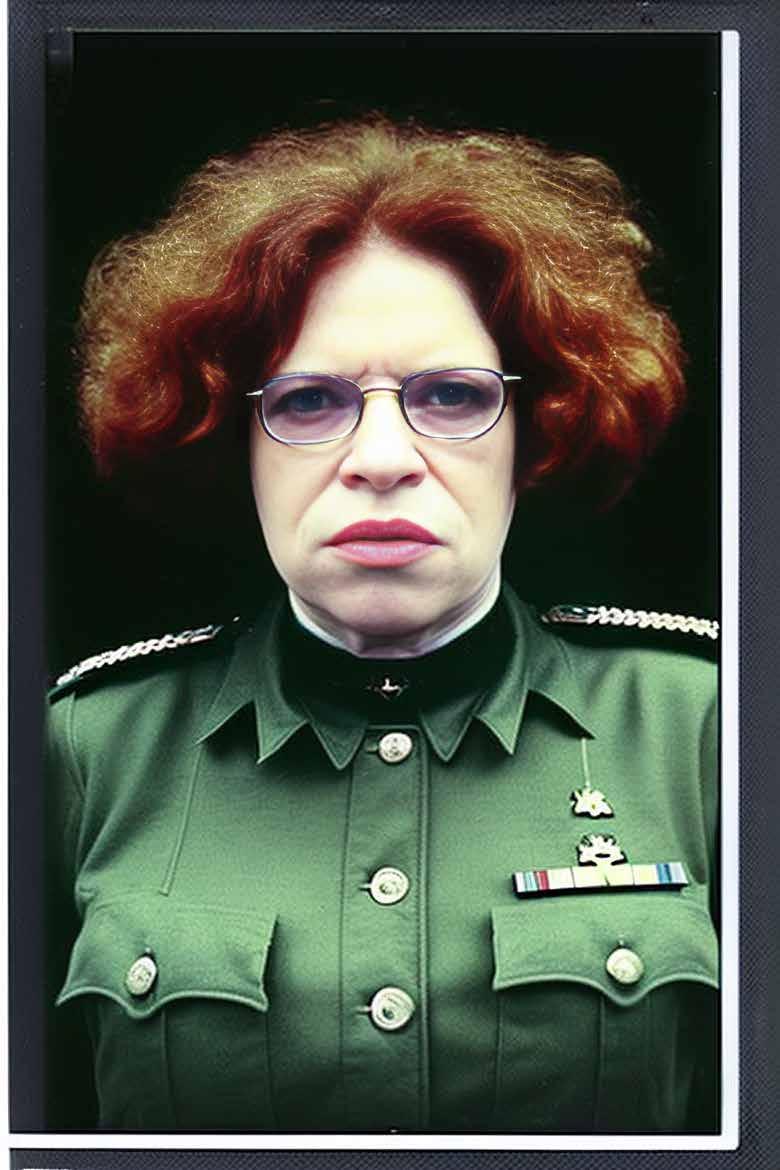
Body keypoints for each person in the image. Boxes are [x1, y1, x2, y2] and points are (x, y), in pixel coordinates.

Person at [46, 117, 718, 1133]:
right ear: (234, 438)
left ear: (537, 425)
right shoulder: (88, 748)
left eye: (450, 395)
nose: (382, 458)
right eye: (310, 402)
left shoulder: (706, 728)